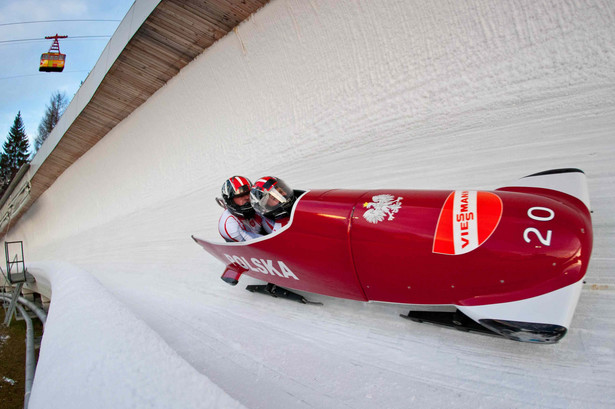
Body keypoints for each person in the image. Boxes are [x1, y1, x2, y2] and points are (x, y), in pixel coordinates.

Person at [218, 176, 264, 242]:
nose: (247, 197)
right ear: (230, 201)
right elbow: (256, 244)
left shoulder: (259, 205)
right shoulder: (230, 225)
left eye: (248, 193)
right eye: (240, 195)